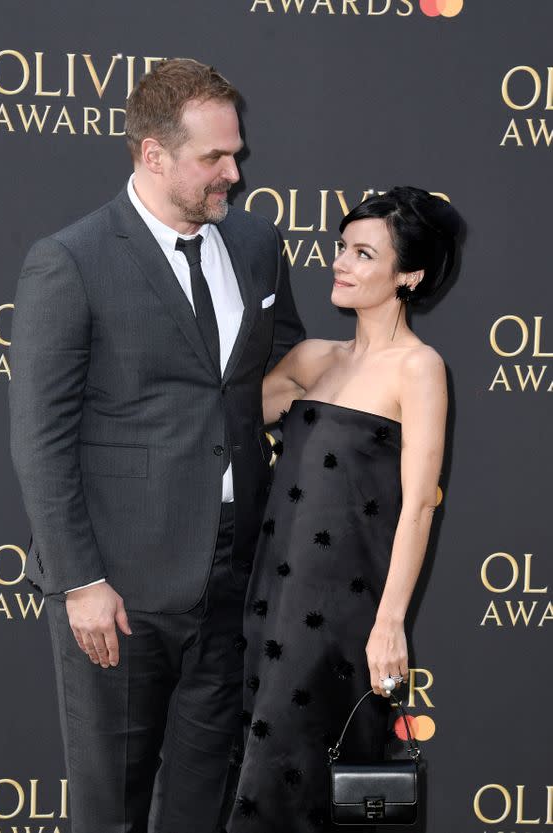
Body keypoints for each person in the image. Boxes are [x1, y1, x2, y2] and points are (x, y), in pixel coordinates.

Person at [8, 58, 304, 833]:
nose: (234, 173)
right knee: (113, 809)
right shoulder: (71, 261)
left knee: (205, 803)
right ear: (154, 156)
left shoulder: (255, 243)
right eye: (215, 158)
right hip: (122, 589)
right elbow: (41, 438)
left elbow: (285, 365)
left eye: (235, 153)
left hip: (233, 577)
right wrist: (80, 582)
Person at [227, 186, 462, 832]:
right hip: (265, 600)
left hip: (341, 618)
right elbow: (221, 412)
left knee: (305, 785)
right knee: (245, 771)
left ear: (408, 275)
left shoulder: (418, 368)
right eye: (341, 249)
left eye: (364, 253)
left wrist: (389, 624)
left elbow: (418, 505)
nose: (342, 263)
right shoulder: (311, 360)